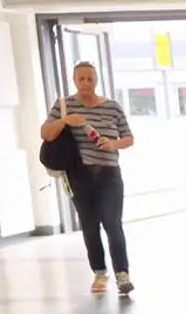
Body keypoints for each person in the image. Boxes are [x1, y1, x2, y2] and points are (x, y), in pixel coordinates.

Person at [41, 61, 135, 296]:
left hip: (109, 174)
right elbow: (45, 133)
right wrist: (65, 121)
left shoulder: (112, 107)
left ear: (96, 80)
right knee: (90, 225)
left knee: (113, 223)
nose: (85, 83)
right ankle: (100, 272)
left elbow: (129, 138)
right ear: (74, 80)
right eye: (81, 79)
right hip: (79, 175)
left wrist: (112, 143)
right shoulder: (65, 106)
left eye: (90, 79)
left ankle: (122, 274)